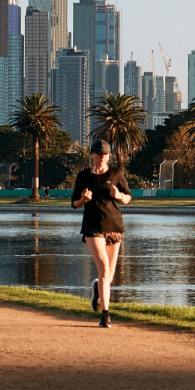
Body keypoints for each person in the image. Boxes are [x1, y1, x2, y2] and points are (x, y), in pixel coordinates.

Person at [71, 138, 131, 328]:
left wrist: (119, 195)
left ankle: (97, 288)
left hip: (114, 226)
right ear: (92, 155)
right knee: (104, 268)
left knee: (108, 276)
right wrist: (82, 199)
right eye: (99, 154)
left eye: (105, 154)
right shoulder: (83, 176)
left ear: (109, 156)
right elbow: (74, 203)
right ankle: (105, 315)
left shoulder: (116, 174)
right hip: (92, 228)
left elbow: (128, 197)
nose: (102, 157)